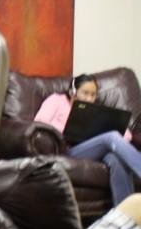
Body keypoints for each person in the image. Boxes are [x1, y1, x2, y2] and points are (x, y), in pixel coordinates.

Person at [34, 74, 141, 204]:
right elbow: (40, 122)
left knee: (115, 159)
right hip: (69, 150)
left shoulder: (95, 111)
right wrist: (69, 127)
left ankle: (126, 216)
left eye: (93, 95)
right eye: (85, 93)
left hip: (96, 149)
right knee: (111, 136)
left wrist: (98, 132)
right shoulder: (57, 100)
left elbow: (127, 135)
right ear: (72, 91)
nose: (89, 99)